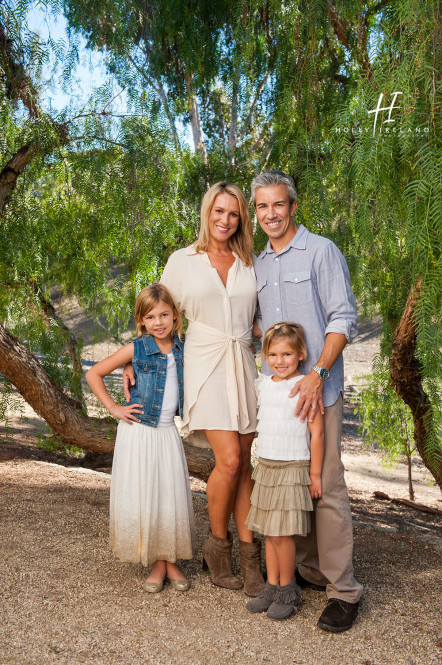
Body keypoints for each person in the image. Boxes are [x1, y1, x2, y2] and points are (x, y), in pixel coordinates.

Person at [124, 182, 265, 597]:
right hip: (204, 366)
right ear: (207, 213)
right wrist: (137, 359)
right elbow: (156, 313)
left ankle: (250, 555)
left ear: (241, 219)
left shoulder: (249, 260)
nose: (225, 220)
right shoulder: (183, 261)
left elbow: (255, 316)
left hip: (243, 363)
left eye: (234, 213)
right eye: (218, 211)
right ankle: (216, 549)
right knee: (229, 458)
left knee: (245, 465)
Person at [252, 170, 363, 632]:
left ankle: (343, 590)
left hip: (319, 391)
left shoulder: (321, 251)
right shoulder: (258, 264)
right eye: (262, 207)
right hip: (279, 398)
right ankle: (306, 571)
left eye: (278, 205)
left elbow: (344, 317)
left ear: (293, 207)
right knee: (290, 483)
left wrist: (317, 373)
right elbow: (260, 326)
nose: (270, 214)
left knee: (327, 487)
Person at [86, 283, 195, 593]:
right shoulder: (137, 348)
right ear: (142, 321)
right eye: (150, 317)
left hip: (166, 432)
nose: (158, 322)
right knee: (146, 492)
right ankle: (157, 563)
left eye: (164, 315)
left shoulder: (184, 346)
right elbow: (93, 374)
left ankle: (167, 560)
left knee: (167, 494)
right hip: (139, 431)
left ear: (175, 316)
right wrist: (114, 408)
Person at [245, 322, 324, 621]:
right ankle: (272, 585)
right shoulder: (262, 384)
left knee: (282, 534)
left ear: (301, 354)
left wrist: (314, 475)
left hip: (292, 467)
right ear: (265, 355)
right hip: (266, 466)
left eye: (287, 354)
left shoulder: (306, 385)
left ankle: (288, 589)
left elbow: (317, 434)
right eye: (273, 354)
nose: (280, 361)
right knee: (268, 532)